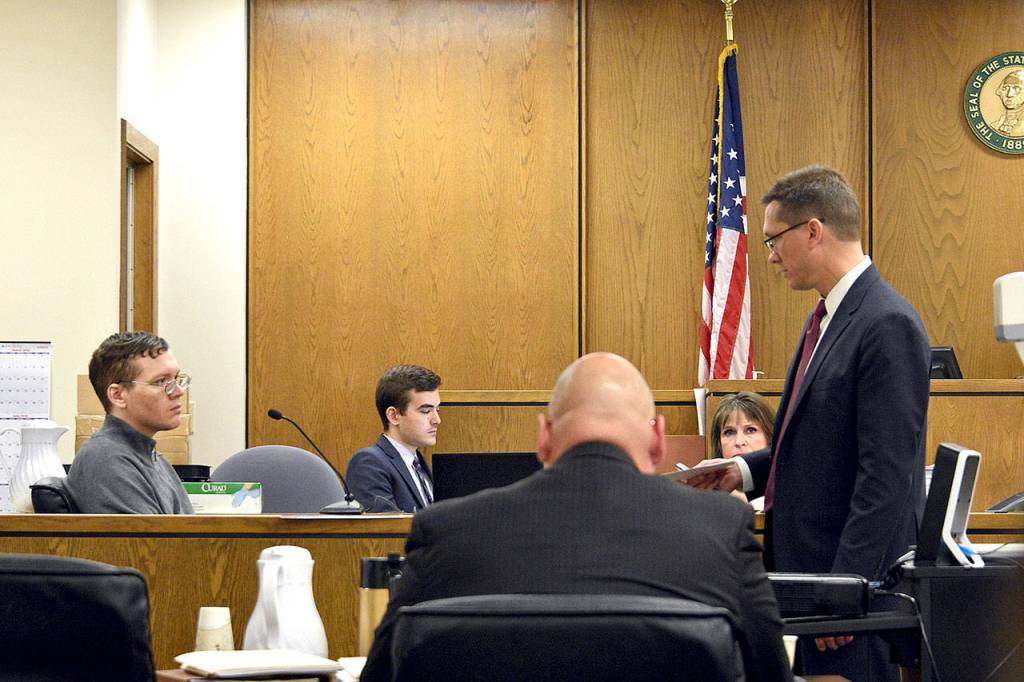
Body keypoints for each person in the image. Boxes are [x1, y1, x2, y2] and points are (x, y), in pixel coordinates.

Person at [361, 353, 793, 682]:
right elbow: (770, 672)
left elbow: (381, 675)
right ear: (658, 440)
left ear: (544, 438)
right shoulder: (721, 526)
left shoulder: (444, 532)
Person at [689, 165, 930, 681]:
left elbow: (885, 476)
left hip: (849, 595)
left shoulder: (885, 322)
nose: (771, 256)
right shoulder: (828, 314)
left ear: (814, 231)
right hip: (816, 582)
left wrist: (844, 591)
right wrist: (742, 472)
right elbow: (816, 441)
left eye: (775, 240)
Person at [65, 332, 194, 514]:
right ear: (118, 395)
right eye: (161, 381)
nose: (179, 391)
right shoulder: (106, 460)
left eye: (176, 379)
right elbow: (152, 543)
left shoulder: (154, 459)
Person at [346, 364, 441, 512]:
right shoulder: (368, 464)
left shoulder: (420, 464)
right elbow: (385, 530)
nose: (436, 420)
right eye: (426, 411)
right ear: (394, 415)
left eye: (437, 409)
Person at [709, 391, 775, 510]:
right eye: (729, 432)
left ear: (769, 438)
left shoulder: (784, 492)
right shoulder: (708, 496)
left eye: (750, 430)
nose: (739, 442)